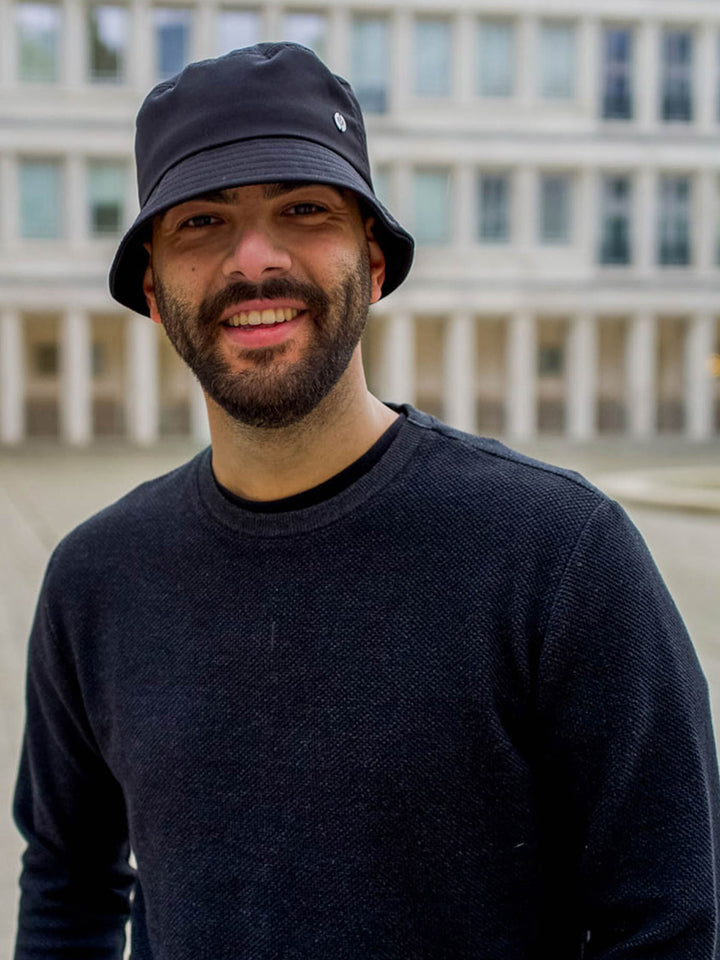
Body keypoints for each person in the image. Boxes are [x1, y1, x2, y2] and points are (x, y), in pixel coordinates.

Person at [12, 42, 720, 960]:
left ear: (375, 263)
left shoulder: (561, 558)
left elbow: (667, 921)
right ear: (153, 290)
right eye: (201, 221)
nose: (253, 259)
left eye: (303, 210)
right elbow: (68, 884)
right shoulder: (94, 581)